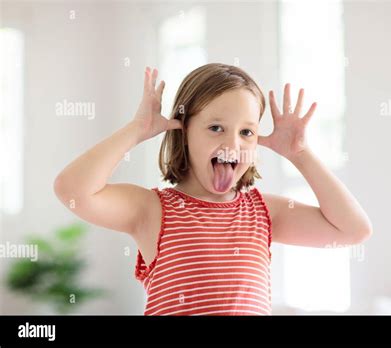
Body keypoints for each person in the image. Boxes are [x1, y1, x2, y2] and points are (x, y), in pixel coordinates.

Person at [54, 63, 373, 315]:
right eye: (216, 127)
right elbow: (73, 190)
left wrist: (300, 155)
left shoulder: (265, 212)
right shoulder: (151, 210)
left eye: (247, 131)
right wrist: (136, 130)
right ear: (184, 130)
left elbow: (353, 230)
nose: (232, 142)